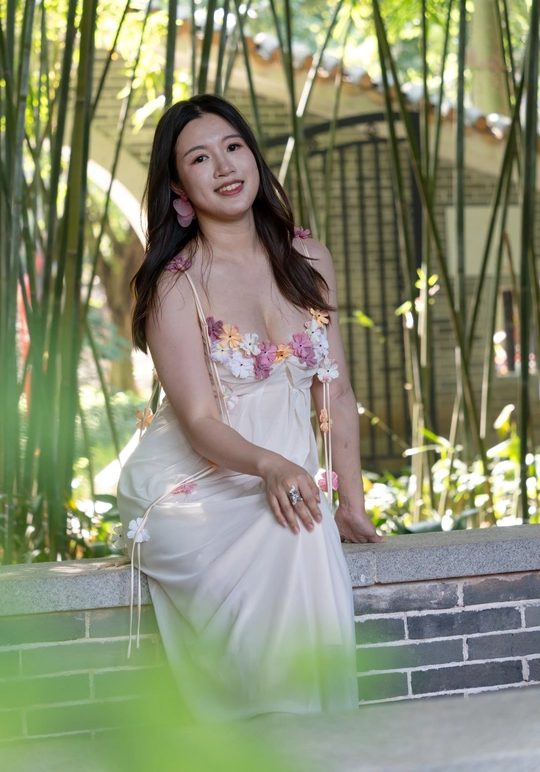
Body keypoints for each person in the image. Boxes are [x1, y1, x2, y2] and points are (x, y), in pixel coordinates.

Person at [116, 94, 385, 721]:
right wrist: (271, 465)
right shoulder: (175, 285)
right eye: (199, 158)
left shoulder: (308, 259)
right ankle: (284, 728)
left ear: (254, 157)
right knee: (295, 529)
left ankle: (303, 731)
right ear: (178, 187)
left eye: (233, 147)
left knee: (306, 523)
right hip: (190, 484)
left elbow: (335, 391)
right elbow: (200, 423)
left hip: (279, 478)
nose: (224, 167)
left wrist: (351, 503)